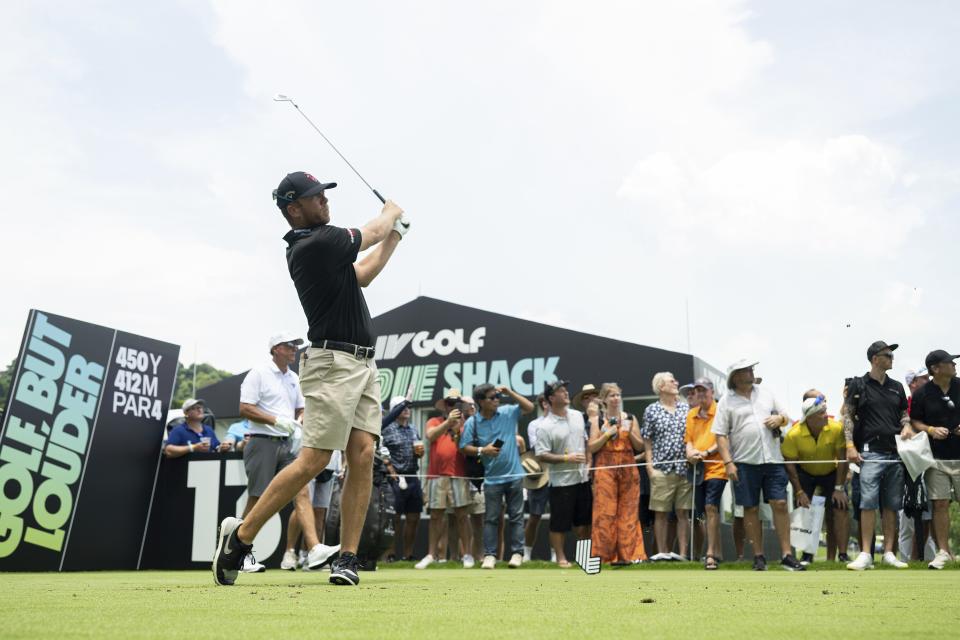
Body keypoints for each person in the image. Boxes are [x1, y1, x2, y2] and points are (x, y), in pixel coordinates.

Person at [213, 171, 408, 587]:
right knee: (316, 458)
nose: (324, 200)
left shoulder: (330, 252)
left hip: (363, 364)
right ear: (293, 208)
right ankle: (241, 539)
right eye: (314, 197)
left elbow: (366, 273)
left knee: (363, 453)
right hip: (331, 363)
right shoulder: (313, 243)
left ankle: (348, 558)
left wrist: (396, 236)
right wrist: (390, 214)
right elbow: (371, 232)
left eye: (324, 195)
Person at [714, 360, 804, 571]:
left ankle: (787, 555)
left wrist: (778, 419)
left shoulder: (766, 392)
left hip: (773, 460)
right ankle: (758, 556)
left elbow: (786, 418)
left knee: (780, 504)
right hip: (744, 462)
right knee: (750, 508)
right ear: (735, 376)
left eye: (751, 369)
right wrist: (728, 463)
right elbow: (720, 435)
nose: (751, 372)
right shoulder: (726, 401)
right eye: (747, 370)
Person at [843, 341, 912, 571]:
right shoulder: (858, 385)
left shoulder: (897, 387)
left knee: (892, 505)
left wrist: (906, 425)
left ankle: (889, 553)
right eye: (887, 355)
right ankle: (865, 554)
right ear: (875, 359)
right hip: (870, 451)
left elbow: (903, 413)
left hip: (895, 452)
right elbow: (848, 416)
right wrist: (850, 445)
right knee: (868, 503)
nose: (892, 358)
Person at [460, 384, 534, 569]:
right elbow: (463, 447)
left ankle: (517, 554)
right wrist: (482, 450)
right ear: (480, 402)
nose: (496, 400)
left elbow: (529, 407)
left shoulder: (508, 412)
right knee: (491, 519)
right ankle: (490, 555)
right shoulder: (473, 422)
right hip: (492, 478)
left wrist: (510, 392)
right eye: (491, 398)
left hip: (515, 475)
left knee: (516, 516)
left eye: (497, 396)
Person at [782, 393, 849, 564]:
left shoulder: (835, 428)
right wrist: (799, 491)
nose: (826, 415)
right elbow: (790, 465)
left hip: (831, 473)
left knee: (840, 508)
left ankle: (842, 555)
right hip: (806, 474)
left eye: (825, 410)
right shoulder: (793, 434)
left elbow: (843, 459)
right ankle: (806, 555)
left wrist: (839, 488)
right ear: (810, 418)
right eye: (821, 413)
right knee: (804, 509)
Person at [909, 349, 960, 569]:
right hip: (935, 458)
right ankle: (943, 552)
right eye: (950, 362)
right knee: (939, 504)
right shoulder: (922, 393)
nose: (954, 365)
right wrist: (930, 429)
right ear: (936, 369)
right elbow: (915, 422)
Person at [588, 382, 646, 564]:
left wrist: (630, 433)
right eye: (611, 395)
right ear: (604, 399)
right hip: (605, 469)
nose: (615, 399)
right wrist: (606, 435)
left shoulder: (630, 417)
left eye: (618, 395)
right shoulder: (597, 420)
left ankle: (630, 556)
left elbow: (640, 446)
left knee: (628, 513)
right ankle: (604, 557)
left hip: (628, 468)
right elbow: (591, 447)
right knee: (605, 513)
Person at [418, 390, 475, 569]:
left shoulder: (467, 425)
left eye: (456, 403)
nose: (453, 407)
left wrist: (458, 427)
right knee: (435, 516)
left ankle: (467, 555)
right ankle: (430, 554)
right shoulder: (434, 421)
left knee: (462, 516)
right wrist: (449, 423)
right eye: (450, 404)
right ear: (446, 406)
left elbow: (466, 447)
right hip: (436, 475)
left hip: (458, 474)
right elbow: (430, 435)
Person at [641, 372, 692, 561]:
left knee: (683, 513)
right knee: (660, 513)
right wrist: (649, 467)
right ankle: (662, 552)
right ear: (661, 387)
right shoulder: (651, 410)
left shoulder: (686, 409)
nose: (676, 383)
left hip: (684, 468)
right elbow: (647, 440)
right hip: (661, 468)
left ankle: (683, 554)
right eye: (672, 381)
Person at [683, 378, 727, 570]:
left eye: (704, 390)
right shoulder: (692, 414)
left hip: (717, 467)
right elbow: (689, 440)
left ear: (712, 392)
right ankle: (716, 551)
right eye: (697, 391)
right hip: (698, 469)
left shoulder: (720, 410)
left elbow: (724, 439)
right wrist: (690, 453)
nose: (700, 394)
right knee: (703, 512)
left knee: (710, 507)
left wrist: (706, 452)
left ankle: (710, 554)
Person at [381, 396, 424, 562]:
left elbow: (419, 450)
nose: (406, 409)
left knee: (414, 517)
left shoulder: (413, 428)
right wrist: (389, 467)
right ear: (394, 411)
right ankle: (390, 554)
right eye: (401, 407)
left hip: (413, 476)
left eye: (407, 407)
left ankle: (408, 554)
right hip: (393, 478)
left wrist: (421, 453)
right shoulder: (387, 429)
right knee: (395, 518)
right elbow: (381, 451)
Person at [900, 367, 933, 561]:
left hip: (926, 461)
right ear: (913, 383)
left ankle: (918, 557)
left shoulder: (928, 402)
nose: (928, 380)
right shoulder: (906, 404)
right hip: (908, 465)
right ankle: (908, 558)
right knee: (906, 519)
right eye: (923, 378)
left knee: (927, 511)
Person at [523, 393, 551, 562]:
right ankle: (526, 554)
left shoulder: (567, 419)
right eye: (545, 402)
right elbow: (538, 448)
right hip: (539, 474)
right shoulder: (534, 424)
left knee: (558, 518)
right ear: (542, 404)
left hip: (560, 473)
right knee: (535, 516)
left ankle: (557, 556)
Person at [164, 398, 230, 457]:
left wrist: (222, 447)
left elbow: (216, 447)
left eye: (200, 407)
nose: (199, 410)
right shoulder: (178, 430)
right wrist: (193, 447)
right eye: (194, 408)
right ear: (186, 413)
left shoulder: (208, 429)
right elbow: (168, 450)